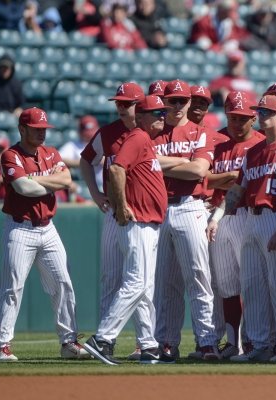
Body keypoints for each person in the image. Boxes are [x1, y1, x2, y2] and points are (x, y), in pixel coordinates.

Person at [0, 107, 89, 362]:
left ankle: (68, 342)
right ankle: (3, 345)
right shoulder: (10, 155)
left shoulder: (51, 152)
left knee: (63, 283)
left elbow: (67, 178)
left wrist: (42, 181)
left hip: (48, 228)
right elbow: (24, 188)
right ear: (22, 129)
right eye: (36, 129)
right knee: (11, 287)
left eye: (44, 129)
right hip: (20, 228)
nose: (42, 134)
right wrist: (50, 181)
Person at [83, 95, 169, 365]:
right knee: (136, 283)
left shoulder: (145, 139)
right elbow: (117, 170)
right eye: (156, 113)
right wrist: (120, 206)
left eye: (162, 113)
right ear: (141, 116)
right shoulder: (138, 137)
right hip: (138, 221)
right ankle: (103, 339)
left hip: (148, 221)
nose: (162, 117)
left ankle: (149, 345)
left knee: (145, 287)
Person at [226, 95, 276, 363]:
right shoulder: (254, 152)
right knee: (252, 286)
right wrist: (226, 205)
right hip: (251, 217)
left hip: (275, 217)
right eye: (259, 111)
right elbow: (240, 187)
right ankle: (260, 344)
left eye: (266, 112)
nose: (261, 116)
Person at [152, 80, 220, 361]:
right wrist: (182, 162)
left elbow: (199, 171)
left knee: (199, 278)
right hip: (160, 209)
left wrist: (160, 161)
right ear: (164, 102)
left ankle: (207, 342)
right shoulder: (152, 132)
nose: (178, 106)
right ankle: (166, 342)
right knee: (165, 283)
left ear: (190, 102)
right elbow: (148, 163)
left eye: (183, 100)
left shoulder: (200, 132)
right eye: (173, 100)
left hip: (190, 207)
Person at [205, 92, 263, 359]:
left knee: (253, 283)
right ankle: (232, 341)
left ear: (253, 118)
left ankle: (255, 340)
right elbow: (204, 178)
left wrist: (225, 180)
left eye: (242, 118)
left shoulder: (262, 143)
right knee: (225, 285)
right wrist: (230, 178)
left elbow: (251, 183)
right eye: (232, 117)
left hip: (247, 216)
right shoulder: (217, 141)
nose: (237, 123)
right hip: (219, 217)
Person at [59, 115, 101, 186]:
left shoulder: (104, 144)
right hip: (81, 184)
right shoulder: (73, 145)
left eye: (92, 133)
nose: (90, 136)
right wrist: (84, 161)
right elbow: (59, 159)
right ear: (80, 132)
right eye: (87, 134)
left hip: (103, 185)